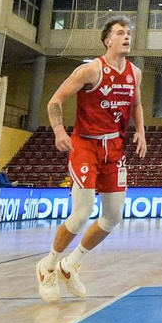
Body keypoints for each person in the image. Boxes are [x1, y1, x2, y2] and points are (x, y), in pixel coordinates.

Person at [36, 17, 149, 301]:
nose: (127, 37)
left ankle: (70, 264)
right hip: (85, 145)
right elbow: (55, 100)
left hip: (115, 147)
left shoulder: (134, 72)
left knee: (113, 216)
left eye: (128, 33)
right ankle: (47, 266)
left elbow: (136, 103)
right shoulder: (90, 70)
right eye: (120, 33)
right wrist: (59, 130)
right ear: (107, 40)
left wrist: (142, 133)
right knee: (81, 213)